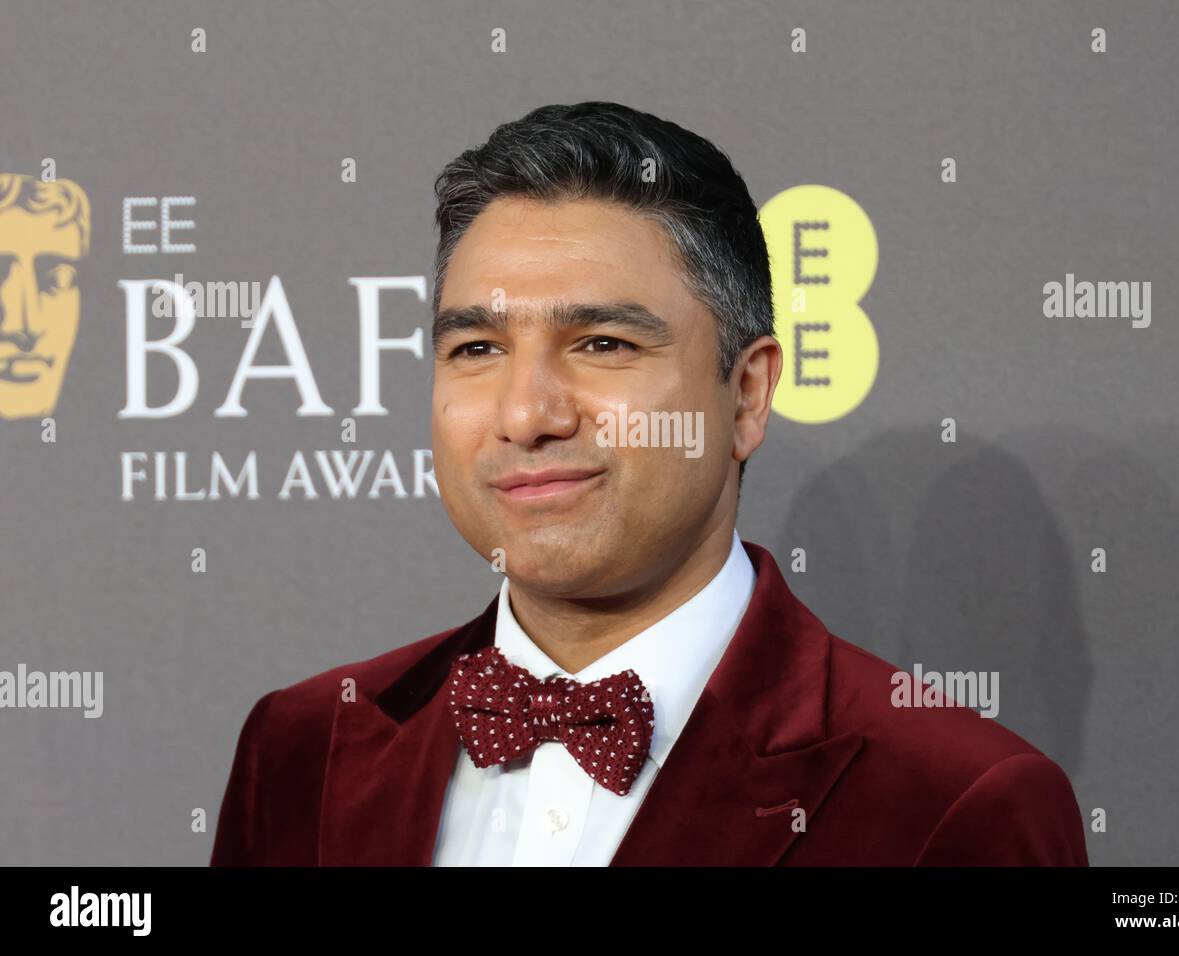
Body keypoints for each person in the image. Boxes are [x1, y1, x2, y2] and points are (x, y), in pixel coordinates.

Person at [210, 101, 1088, 866]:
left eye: (603, 345)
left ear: (745, 395)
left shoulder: (956, 803)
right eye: (477, 348)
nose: (528, 415)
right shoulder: (302, 747)